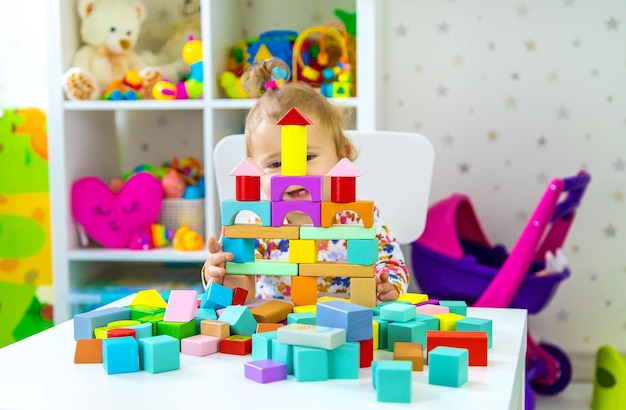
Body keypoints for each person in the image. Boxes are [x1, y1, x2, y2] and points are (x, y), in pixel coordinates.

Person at [201, 58, 409, 302]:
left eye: (308, 156)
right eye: (275, 164)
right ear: (256, 171)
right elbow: (241, 292)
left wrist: (386, 284)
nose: (292, 174)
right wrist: (221, 274)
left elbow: (391, 261)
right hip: (277, 327)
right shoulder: (256, 225)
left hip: (348, 324)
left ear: (343, 155)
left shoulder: (359, 217)